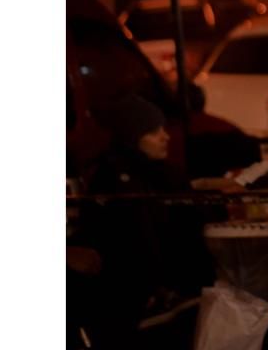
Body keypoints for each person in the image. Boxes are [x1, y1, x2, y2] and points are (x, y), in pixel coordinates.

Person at [77, 95, 213, 347]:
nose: (166, 136)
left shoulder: (164, 175)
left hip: (174, 293)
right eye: (153, 131)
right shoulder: (115, 179)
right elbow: (128, 241)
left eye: (163, 128)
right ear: (132, 136)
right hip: (141, 302)